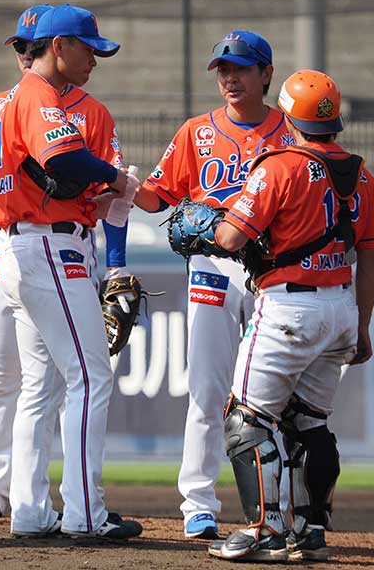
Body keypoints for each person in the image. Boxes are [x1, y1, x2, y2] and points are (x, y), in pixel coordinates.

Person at [0, 5, 131, 521]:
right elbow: (62, 161)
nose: (95, 59)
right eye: (87, 48)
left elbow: (53, 175)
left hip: (21, 244)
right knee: (90, 376)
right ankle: (85, 513)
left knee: (41, 383)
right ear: (59, 47)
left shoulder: (20, 100)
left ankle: (30, 511)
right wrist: (119, 182)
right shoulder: (36, 96)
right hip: (46, 247)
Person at [205, 69, 374, 562]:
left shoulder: (278, 166)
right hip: (341, 308)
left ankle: (264, 532)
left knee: (247, 420)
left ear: (288, 114)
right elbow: (370, 258)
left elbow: (230, 238)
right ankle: (310, 531)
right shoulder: (363, 176)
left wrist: (210, 225)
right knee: (309, 422)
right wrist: (362, 325)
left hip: (288, 306)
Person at [134, 30, 292, 539]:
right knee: (206, 389)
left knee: (274, 397)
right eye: (222, 69)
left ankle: (281, 505)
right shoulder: (197, 131)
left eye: (241, 68)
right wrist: (117, 185)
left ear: (266, 74)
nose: (230, 77)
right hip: (212, 267)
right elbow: (158, 197)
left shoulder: (292, 134)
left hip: (272, 270)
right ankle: (198, 503)